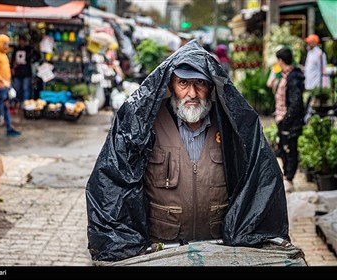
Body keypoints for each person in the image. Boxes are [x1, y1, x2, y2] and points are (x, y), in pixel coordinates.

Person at [86, 40, 290, 262]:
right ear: (170, 84)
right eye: (183, 83)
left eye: (199, 83)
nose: (192, 93)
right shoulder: (146, 126)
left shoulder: (231, 129)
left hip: (219, 251)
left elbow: (260, 180)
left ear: (211, 86)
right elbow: (112, 183)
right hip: (161, 252)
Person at [274, 47, 305, 193]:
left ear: (281, 60)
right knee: (283, 148)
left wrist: (287, 120)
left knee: (290, 149)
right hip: (282, 118)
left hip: (289, 121)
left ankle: (289, 177)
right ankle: (287, 176)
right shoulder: (285, 75)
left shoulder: (293, 77)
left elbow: (296, 102)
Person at [0, 34, 21, 137]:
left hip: (5, 85)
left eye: (7, 43)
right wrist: (2, 81)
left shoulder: (3, 54)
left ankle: (9, 128)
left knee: (5, 106)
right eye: (5, 43)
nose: (7, 46)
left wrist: (8, 83)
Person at [303, 34, 330, 123]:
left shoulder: (320, 54)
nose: (308, 44)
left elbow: (323, 70)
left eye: (309, 42)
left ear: (314, 43)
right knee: (308, 104)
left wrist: (325, 86)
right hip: (309, 85)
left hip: (316, 85)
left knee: (313, 106)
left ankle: (309, 121)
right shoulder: (310, 53)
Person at [10, 34, 40, 105]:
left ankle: (25, 103)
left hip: (26, 72)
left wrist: (31, 61)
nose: (21, 42)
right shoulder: (16, 49)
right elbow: (12, 60)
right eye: (20, 41)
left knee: (26, 89)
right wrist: (12, 68)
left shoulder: (29, 49)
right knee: (18, 89)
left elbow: (38, 56)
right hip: (18, 73)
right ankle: (19, 103)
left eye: (22, 41)